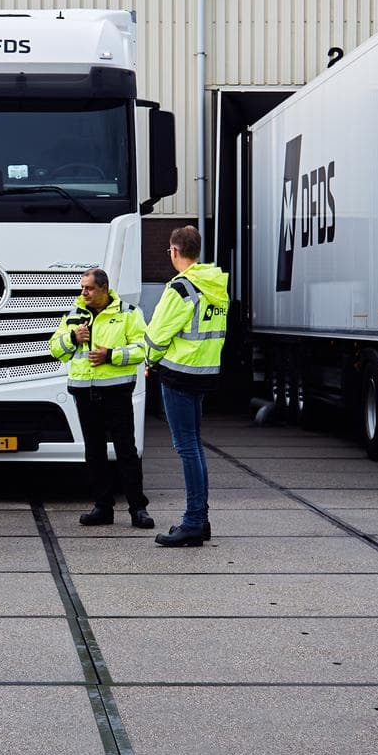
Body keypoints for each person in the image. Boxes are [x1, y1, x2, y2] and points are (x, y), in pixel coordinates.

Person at [142, 225, 229, 546]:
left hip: (178, 376)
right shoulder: (215, 286)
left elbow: (155, 336)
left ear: (175, 252)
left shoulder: (180, 289)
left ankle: (193, 521)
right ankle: (200, 519)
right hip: (204, 374)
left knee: (187, 448)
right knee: (195, 447)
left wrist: (149, 361)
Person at [50, 268, 153, 529]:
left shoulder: (128, 313)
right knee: (94, 452)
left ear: (104, 288)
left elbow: (143, 349)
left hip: (116, 392)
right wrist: (73, 338)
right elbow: (54, 349)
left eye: (89, 288)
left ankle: (138, 509)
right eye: (82, 288)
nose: (83, 292)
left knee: (126, 451)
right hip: (84, 392)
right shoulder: (75, 315)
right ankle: (102, 508)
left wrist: (111, 355)